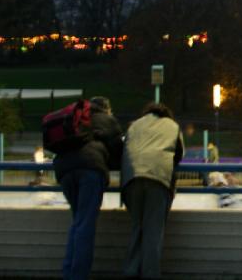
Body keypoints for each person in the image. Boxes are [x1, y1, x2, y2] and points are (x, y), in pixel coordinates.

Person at [53, 96, 123, 280]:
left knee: (78, 222)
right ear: (107, 109)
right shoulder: (108, 120)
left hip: (64, 170)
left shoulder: (76, 120)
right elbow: (119, 153)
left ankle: (69, 271)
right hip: (89, 170)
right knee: (85, 225)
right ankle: (78, 275)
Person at [121, 102, 185, 279]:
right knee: (153, 233)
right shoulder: (172, 126)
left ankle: (130, 271)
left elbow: (124, 149)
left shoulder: (134, 125)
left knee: (137, 228)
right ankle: (150, 274)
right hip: (158, 180)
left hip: (131, 179)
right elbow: (178, 154)